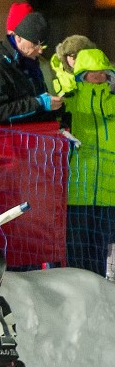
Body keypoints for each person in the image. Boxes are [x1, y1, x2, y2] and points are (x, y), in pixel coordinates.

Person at [62, 46, 115, 276]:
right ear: (81, 75)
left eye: (102, 73)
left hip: (110, 196)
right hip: (75, 196)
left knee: (107, 265)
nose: (97, 77)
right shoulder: (67, 105)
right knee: (77, 261)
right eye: (91, 73)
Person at [0, 10, 64, 126]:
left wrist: (57, 110)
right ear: (18, 38)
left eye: (43, 45)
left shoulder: (29, 60)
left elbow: (36, 106)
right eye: (35, 44)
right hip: (6, 141)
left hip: (31, 138)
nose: (40, 50)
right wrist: (39, 103)